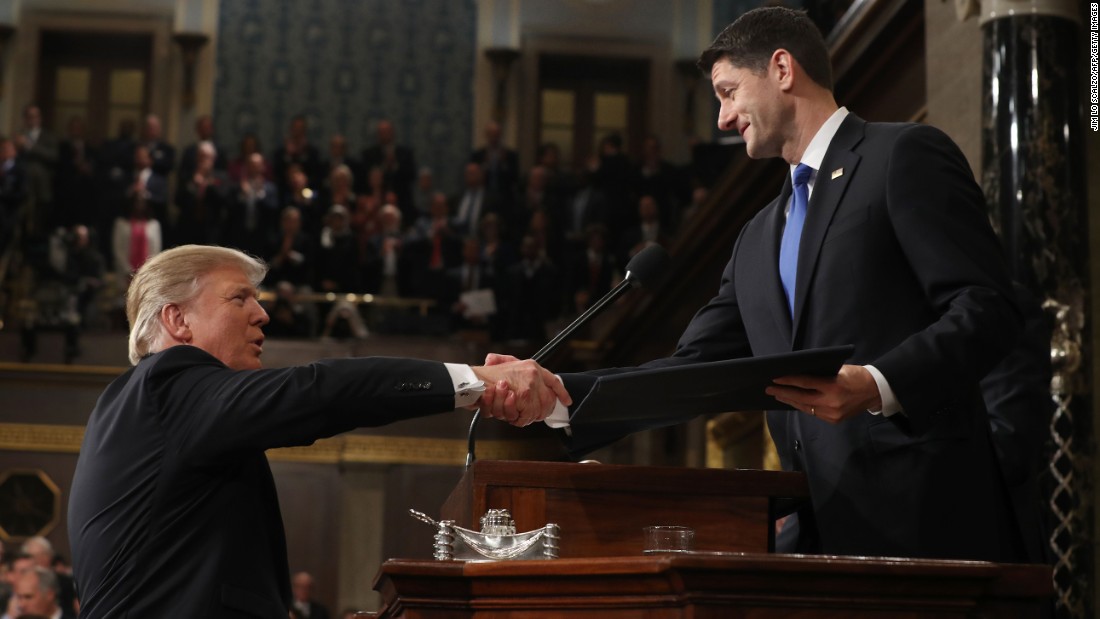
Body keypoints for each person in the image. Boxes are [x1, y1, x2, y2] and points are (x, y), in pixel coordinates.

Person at [489, 7, 1025, 563]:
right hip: (815, 539)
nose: (721, 118)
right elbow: (691, 371)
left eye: (728, 92)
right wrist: (554, 397)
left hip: (930, 526)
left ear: (782, 69)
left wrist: (878, 383)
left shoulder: (901, 156)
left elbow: (987, 306)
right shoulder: (755, 239)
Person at [67, 244, 568, 618]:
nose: (262, 314)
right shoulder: (166, 384)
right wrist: (473, 381)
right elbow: (317, 391)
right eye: (239, 298)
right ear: (177, 321)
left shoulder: (145, 410)